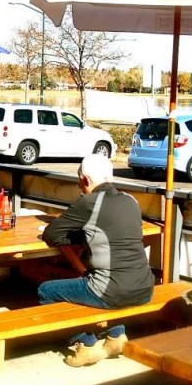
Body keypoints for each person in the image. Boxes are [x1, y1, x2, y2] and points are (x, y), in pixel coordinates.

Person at [38, 154, 154, 367]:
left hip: (112, 290)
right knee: (91, 277)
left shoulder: (89, 202)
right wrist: (87, 235)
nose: (79, 186)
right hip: (145, 287)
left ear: (85, 180)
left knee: (46, 291)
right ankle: (116, 335)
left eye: (79, 181)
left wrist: (79, 236)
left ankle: (85, 343)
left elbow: (51, 235)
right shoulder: (131, 200)